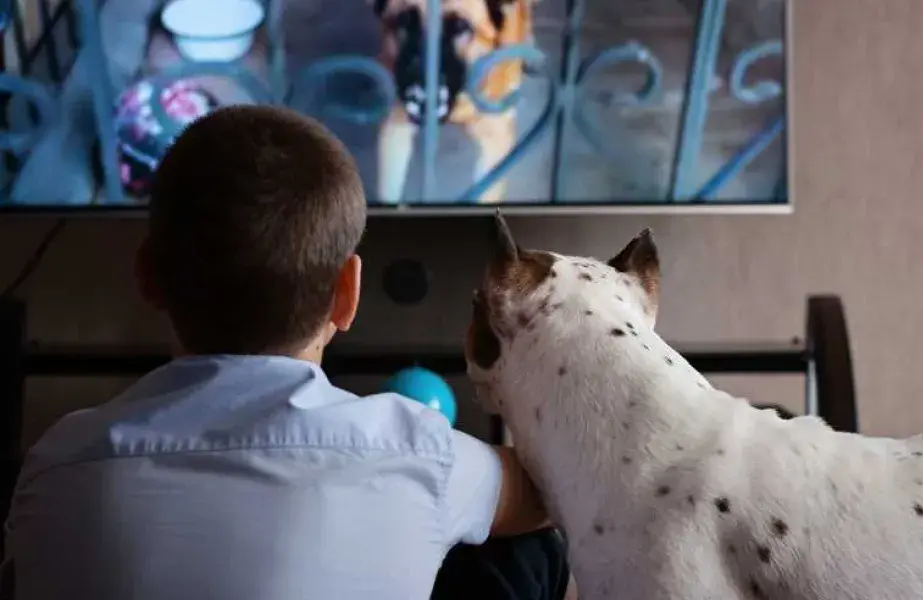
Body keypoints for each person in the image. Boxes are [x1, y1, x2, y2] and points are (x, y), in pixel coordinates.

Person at [1, 105, 570, 600]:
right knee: (523, 554)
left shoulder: (56, 464)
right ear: (347, 294)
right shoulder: (413, 449)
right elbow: (555, 488)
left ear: (148, 277)